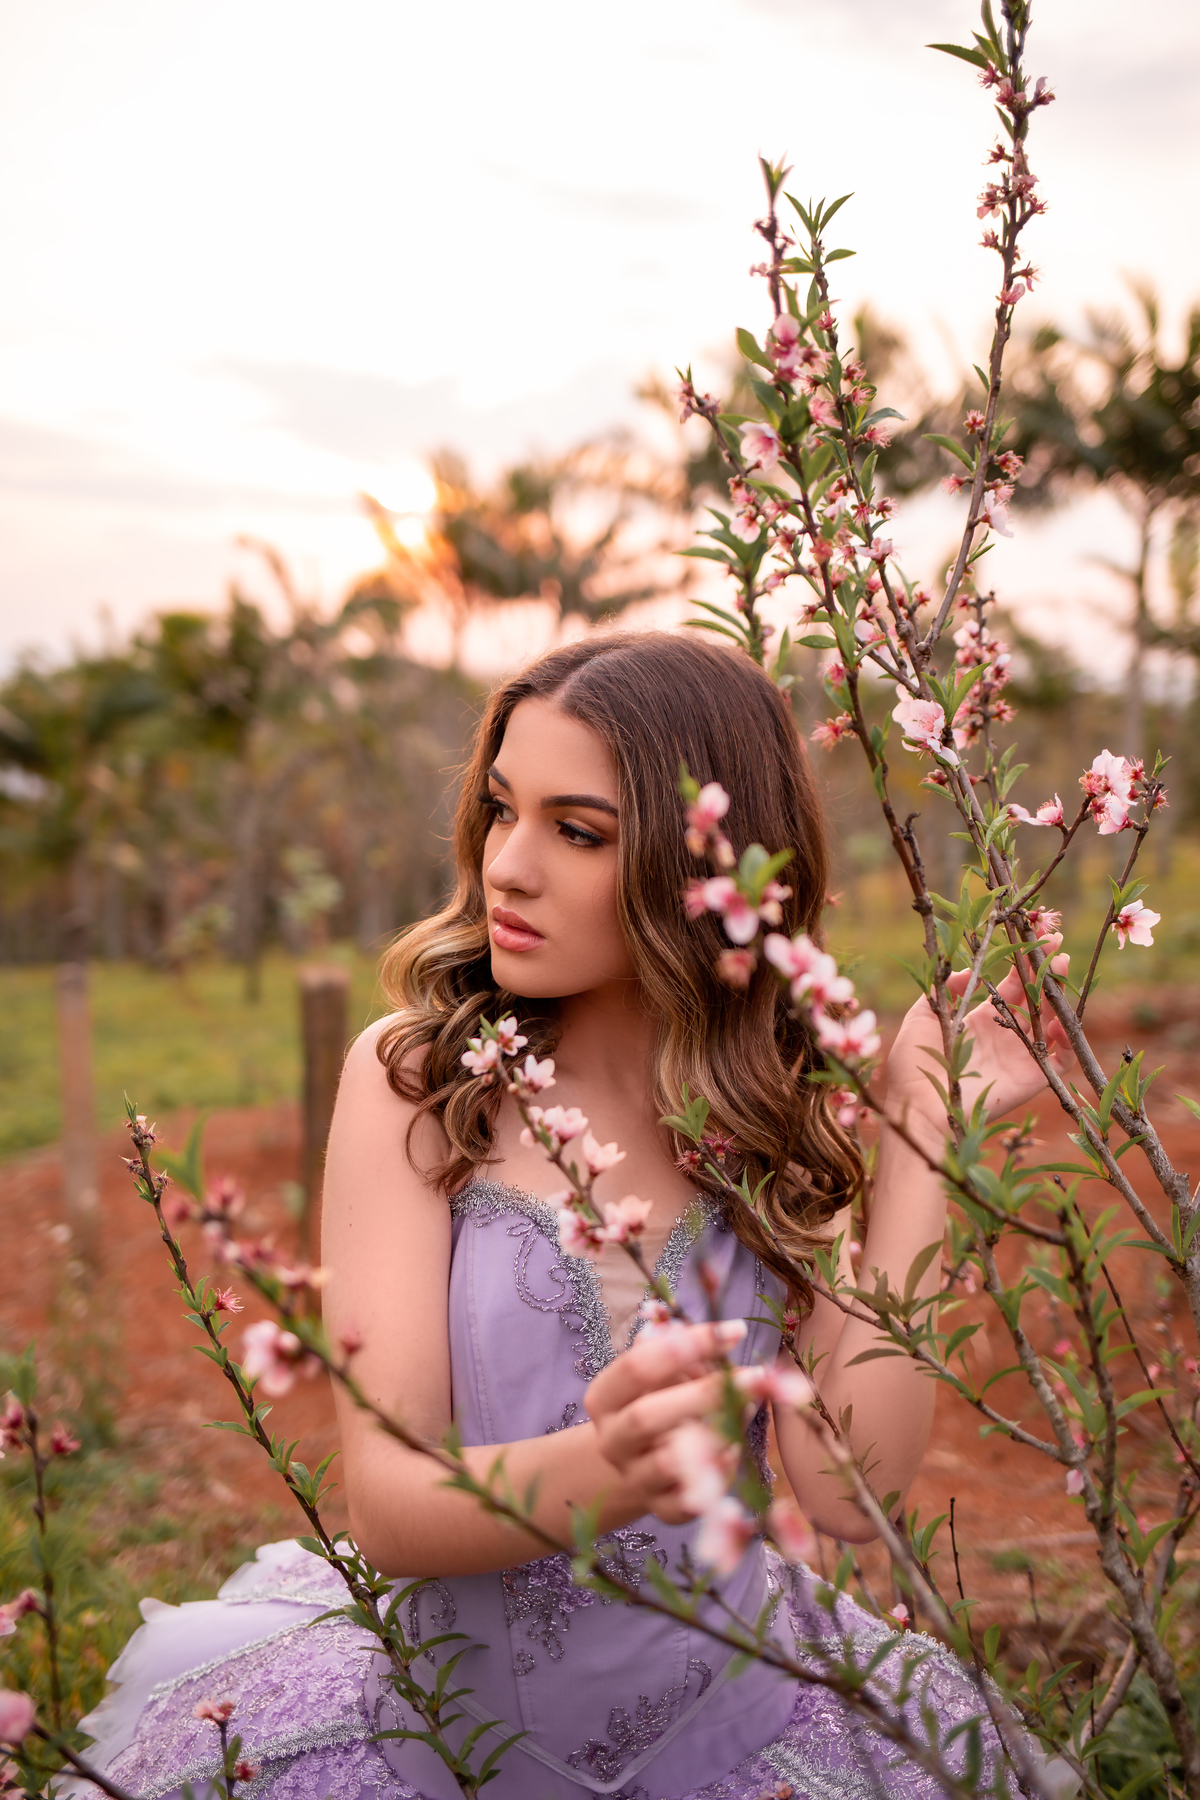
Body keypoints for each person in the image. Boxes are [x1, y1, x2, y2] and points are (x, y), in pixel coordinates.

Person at [76, 632, 1072, 1800]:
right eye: (503, 812)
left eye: (579, 831)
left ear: (705, 871)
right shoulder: (421, 1084)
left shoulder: (777, 1109)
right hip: (441, 1754)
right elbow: (389, 1508)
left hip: (747, 1747)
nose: (509, 866)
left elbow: (851, 1490)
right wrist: (608, 1468)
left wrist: (924, 1133)